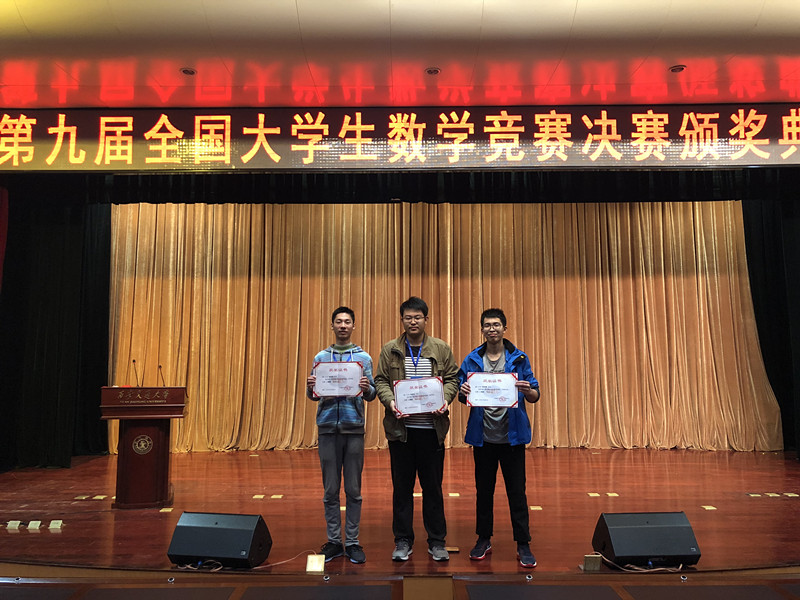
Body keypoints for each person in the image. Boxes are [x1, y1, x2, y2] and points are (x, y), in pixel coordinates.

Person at [374, 296, 459, 562]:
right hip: (401, 432)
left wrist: (445, 399)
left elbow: (453, 379)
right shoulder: (390, 349)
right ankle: (402, 540)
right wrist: (390, 402)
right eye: (408, 317)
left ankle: (437, 541)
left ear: (426, 319)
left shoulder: (441, 348)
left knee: (433, 488)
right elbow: (381, 380)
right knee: (402, 489)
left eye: (418, 317)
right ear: (402, 320)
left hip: (432, 431)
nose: (413, 322)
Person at [457, 308, 540, 568]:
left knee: (517, 492)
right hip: (483, 437)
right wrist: (463, 390)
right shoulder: (472, 359)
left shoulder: (519, 358)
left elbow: (535, 394)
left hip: (512, 437)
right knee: (484, 491)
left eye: (496, 325)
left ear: (505, 328)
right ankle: (484, 539)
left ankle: (523, 543)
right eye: (487, 325)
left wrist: (527, 390)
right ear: (482, 329)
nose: (491, 329)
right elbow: (461, 394)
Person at [306, 306, 376, 564]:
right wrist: (311, 387)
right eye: (339, 321)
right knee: (330, 490)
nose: (343, 325)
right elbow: (314, 395)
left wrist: (366, 388)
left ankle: (353, 542)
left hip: (353, 428)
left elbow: (371, 394)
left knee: (354, 490)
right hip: (327, 429)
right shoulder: (321, 357)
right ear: (332, 325)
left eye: (347, 321)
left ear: (354, 326)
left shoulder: (364, 358)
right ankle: (335, 541)